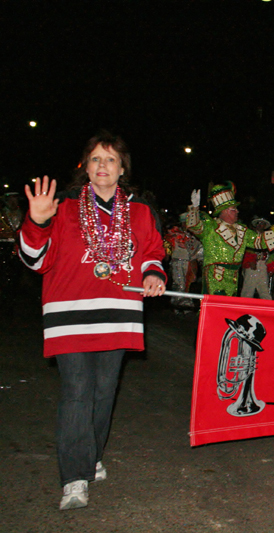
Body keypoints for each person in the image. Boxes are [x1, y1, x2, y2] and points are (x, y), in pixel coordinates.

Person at [17, 131, 167, 510]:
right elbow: (36, 261)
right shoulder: (63, 206)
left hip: (118, 315)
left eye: (111, 160)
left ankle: (91, 455)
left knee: (103, 394)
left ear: (122, 169)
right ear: (85, 166)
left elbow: (152, 252)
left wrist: (153, 275)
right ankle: (74, 477)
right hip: (70, 316)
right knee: (77, 393)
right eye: (96, 159)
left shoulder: (140, 211)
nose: (103, 166)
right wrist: (36, 223)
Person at [186, 182, 274, 296]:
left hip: (233, 277)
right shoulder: (210, 227)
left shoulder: (242, 230)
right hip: (215, 275)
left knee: (229, 309)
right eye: (233, 209)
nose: (237, 211)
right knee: (215, 307)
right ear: (224, 211)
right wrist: (194, 208)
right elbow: (194, 226)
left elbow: (260, 241)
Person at [164, 213, 202, 312]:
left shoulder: (191, 234)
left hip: (189, 261)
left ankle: (185, 304)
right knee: (179, 283)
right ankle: (179, 304)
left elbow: (196, 247)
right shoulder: (175, 233)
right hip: (178, 261)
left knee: (187, 284)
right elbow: (168, 246)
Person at [240, 217, 274, 300]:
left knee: (264, 289)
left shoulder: (268, 237)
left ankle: (267, 309)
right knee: (248, 288)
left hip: (263, 264)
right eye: (258, 223)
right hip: (251, 265)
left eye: (262, 223)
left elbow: (273, 253)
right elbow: (245, 249)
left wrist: (271, 267)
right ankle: (244, 308)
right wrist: (249, 260)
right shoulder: (250, 235)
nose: (260, 225)